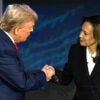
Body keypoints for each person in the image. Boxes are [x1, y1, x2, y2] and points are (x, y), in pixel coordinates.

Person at [0, 4, 55, 100]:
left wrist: (41, 73)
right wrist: (44, 75)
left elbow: (15, 74)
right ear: (17, 30)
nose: (32, 30)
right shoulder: (5, 49)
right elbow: (22, 83)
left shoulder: (4, 41)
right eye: (30, 27)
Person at [57, 15, 100, 100]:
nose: (80, 35)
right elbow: (65, 78)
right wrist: (51, 73)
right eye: (81, 30)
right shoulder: (75, 51)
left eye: (85, 33)